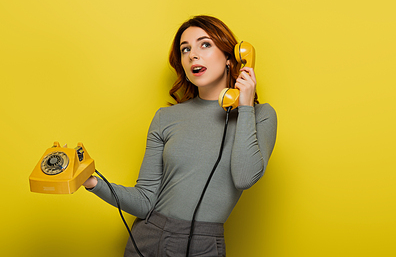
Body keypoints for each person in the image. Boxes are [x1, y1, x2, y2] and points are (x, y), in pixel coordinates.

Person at [83, 15, 278, 257]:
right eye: (185, 49)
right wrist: (92, 182)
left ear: (231, 56)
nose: (192, 55)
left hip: (203, 245)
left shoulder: (260, 116)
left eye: (204, 44)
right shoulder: (166, 118)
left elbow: (244, 177)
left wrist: (245, 106)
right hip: (147, 239)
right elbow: (145, 201)